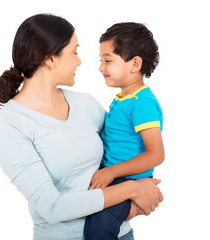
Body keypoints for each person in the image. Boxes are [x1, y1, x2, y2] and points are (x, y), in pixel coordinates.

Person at [0, 14, 163, 240]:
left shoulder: (85, 104)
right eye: (75, 52)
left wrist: (135, 201)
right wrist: (133, 190)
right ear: (50, 59)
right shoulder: (9, 125)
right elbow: (52, 207)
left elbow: (129, 146)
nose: (80, 62)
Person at [84, 22, 164, 240]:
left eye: (108, 60)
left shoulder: (142, 103)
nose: (101, 67)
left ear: (135, 64)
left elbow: (156, 154)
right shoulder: (123, 99)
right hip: (115, 176)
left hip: (124, 180)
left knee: (98, 231)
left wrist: (111, 172)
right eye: (101, 60)